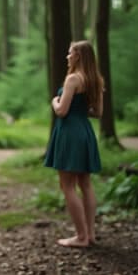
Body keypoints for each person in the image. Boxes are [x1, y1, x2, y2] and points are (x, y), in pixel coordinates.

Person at [44, 40, 104, 248]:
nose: (67, 56)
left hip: (70, 133)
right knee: (85, 184)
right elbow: (97, 113)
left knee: (67, 185)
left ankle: (80, 237)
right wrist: (79, 110)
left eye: (70, 53)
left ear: (78, 56)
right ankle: (91, 235)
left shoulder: (73, 79)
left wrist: (54, 100)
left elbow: (61, 111)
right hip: (85, 132)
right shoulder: (95, 80)